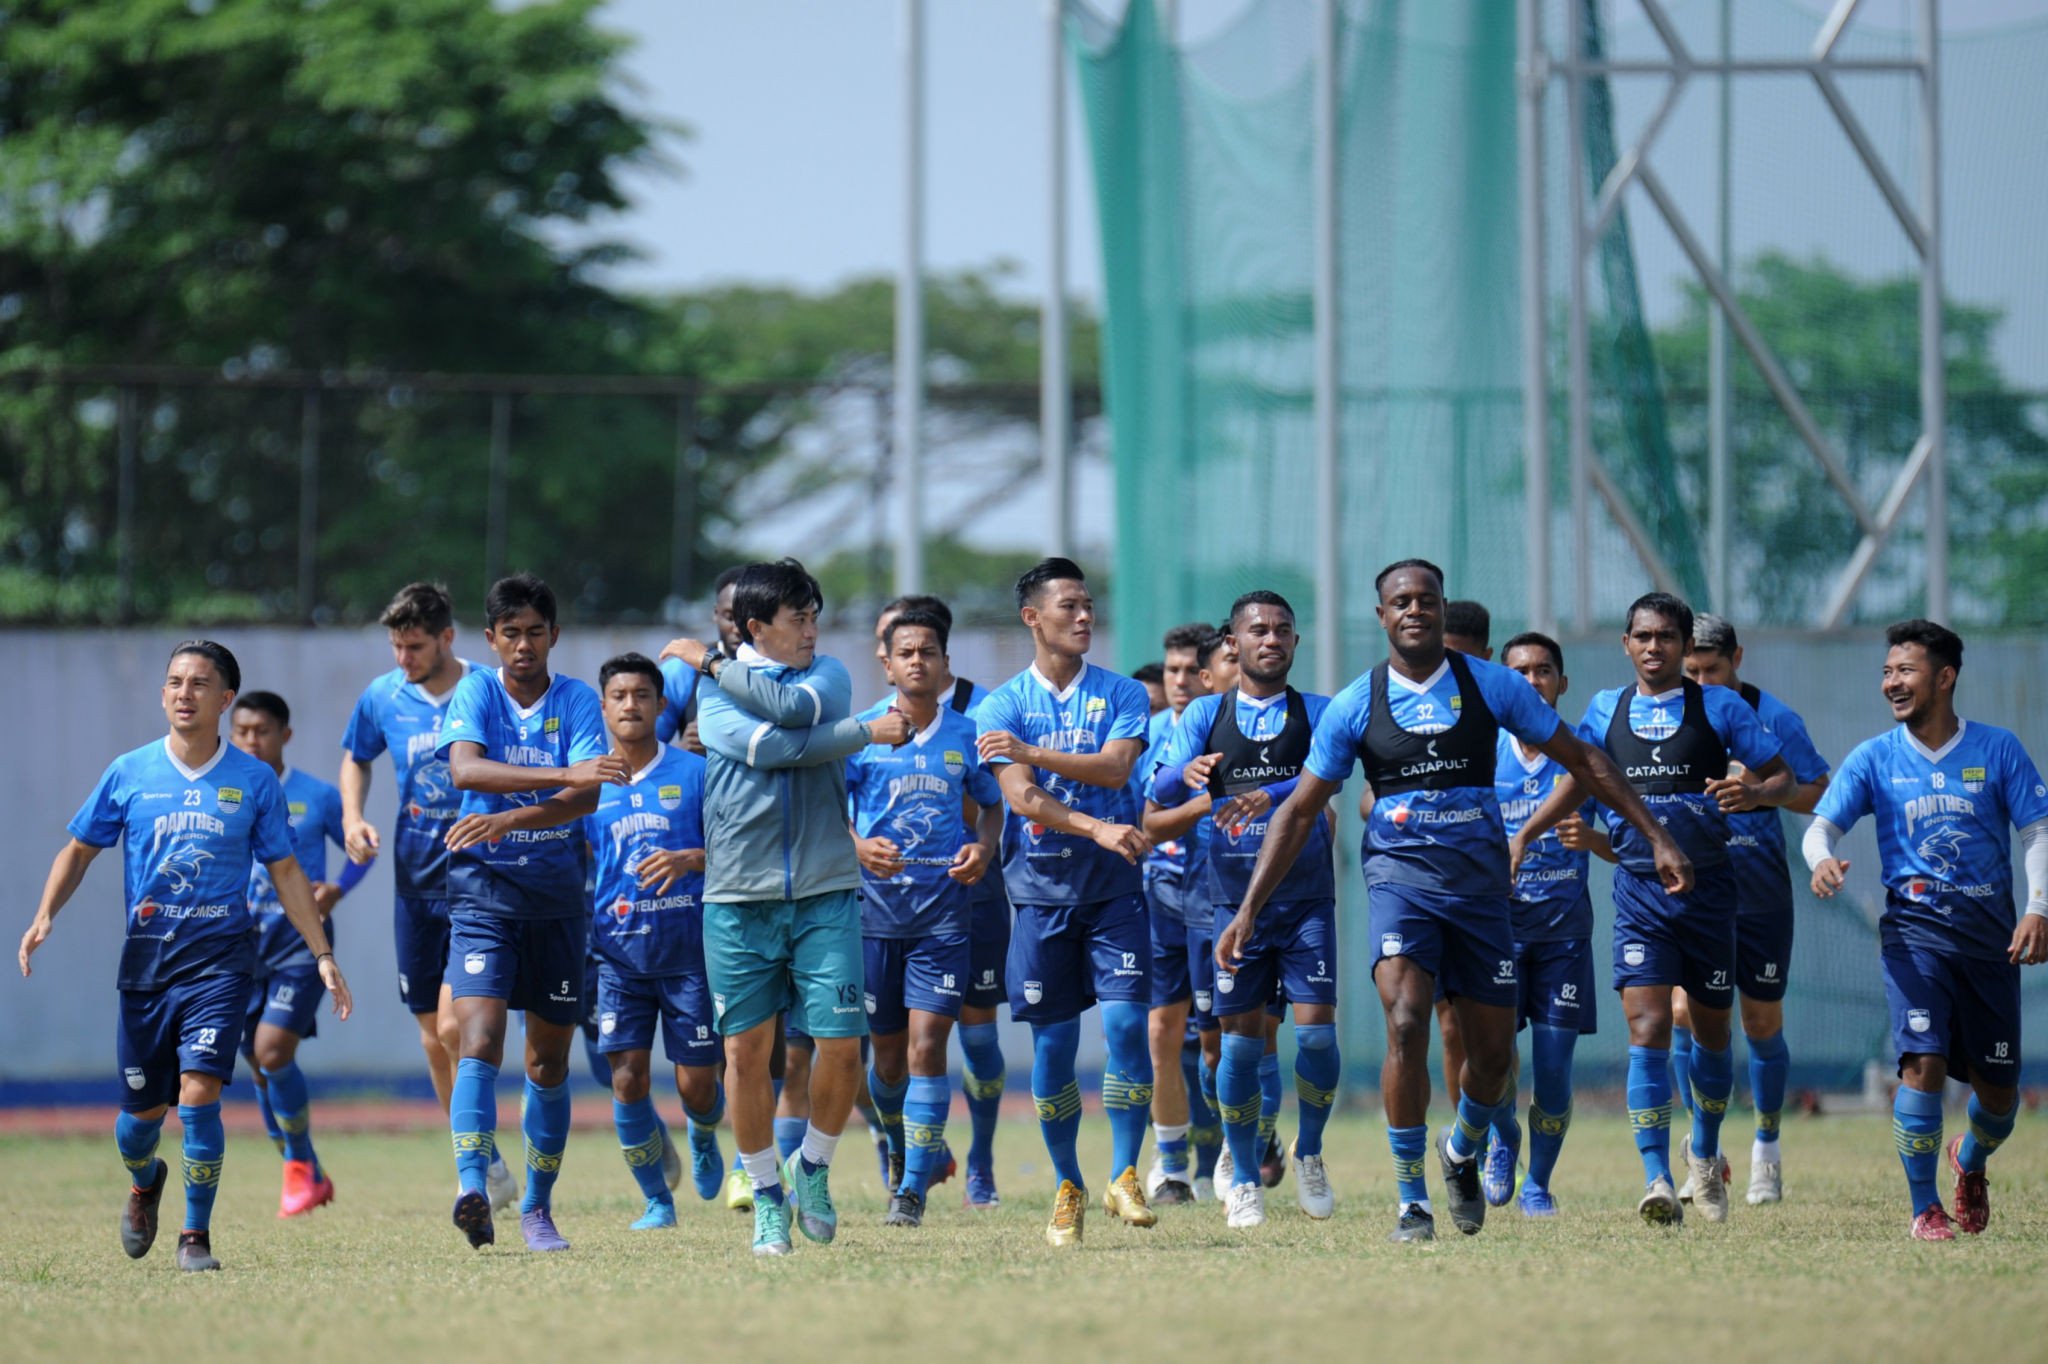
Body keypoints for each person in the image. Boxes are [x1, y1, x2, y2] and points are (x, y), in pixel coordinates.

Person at [1239, 561, 1689, 1244]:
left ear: (1442, 610)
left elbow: (1584, 760)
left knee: (1493, 1062)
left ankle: (1461, 1149)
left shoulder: (1491, 685)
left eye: (1426, 600)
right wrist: (1247, 909)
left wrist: (1655, 836)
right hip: (1400, 884)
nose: (1414, 610)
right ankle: (1411, 1201)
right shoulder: (1356, 703)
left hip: (1481, 893)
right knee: (1406, 1017)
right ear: (1382, 614)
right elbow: (1299, 811)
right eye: (1400, 601)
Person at [19, 640, 353, 1272]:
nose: (183, 693)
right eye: (174, 681)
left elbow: (285, 869)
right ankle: (145, 1181)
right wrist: (44, 915)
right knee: (138, 1121)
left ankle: (194, 1236)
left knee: (200, 1094)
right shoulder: (130, 771)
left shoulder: (253, 780)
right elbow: (79, 851)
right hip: (146, 966)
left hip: (223, 962)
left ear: (224, 700)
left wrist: (322, 953)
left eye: (199, 684)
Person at [1516, 591, 1793, 1228]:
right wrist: (1525, 834)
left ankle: (1704, 1151)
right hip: (1639, 892)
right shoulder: (1604, 710)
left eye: (1667, 637)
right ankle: (1656, 1177)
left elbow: (1785, 778)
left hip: (1711, 893)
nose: (1654, 647)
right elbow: (1580, 778)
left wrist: (1752, 790)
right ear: (1625, 643)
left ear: (1682, 644)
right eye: (1642, 636)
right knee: (1647, 1031)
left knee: (1715, 1037)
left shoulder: (1720, 707)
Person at [664, 558, 913, 1257]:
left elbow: (797, 714)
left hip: (827, 891)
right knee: (745, 1054)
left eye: (813, 617)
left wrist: (714, 664)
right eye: (797, 618)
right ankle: (768, 1195)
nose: (812, 630)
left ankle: (813, 1169)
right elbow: (770, 748)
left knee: (840, 1048)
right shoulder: (709, 695)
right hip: (738, 900)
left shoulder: (828, 675)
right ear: (755, 628)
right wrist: (865, 731)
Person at [458, 653, 726, 1229]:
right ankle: (657, 1199)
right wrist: (505, 823)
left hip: (688, 956)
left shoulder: (697, 773)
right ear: (603, 708)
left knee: (697, 1085)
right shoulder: (588, 783)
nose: (631, 705)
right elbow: (556, 829)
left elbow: (733, 852)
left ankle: (703, 1134)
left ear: (660, 706)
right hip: (615, 957)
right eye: (620, 696)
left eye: (643, 695)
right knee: (625, 1077)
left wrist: (691, 858)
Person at [1804, 620, 2048, 1241]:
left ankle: (1969, 1160)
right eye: (1887, 672)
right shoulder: (1874, 758)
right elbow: (1818, 828)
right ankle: (1924, 1209)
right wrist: (1821, 859)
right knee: (1923, 1064)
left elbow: (2037, 832)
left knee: (2000, 1102)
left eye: (1905, 670)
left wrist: (2038, 907)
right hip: (1914, 939)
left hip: (1992, 945)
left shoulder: (1997, 750)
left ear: (1945, 677)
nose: (1892, 683)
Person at [436, 573, 626, 1253]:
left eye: (534, 632)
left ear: (554, 635)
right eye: (509, 633)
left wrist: (513, 815)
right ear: (490, 639)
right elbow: (466, 771)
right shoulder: (476, 691)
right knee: (478, 1037)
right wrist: (563, 776)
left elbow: (588, 798)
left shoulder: (576, 699)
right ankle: (471, 1187)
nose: (522, 644)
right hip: (485, 892)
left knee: (547, 1063)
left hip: (555, 900)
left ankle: (538, 1210)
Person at [975, 557, 1156, 1248]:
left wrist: (1032, 750)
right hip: (1040, 896)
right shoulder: (1001, 706)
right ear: (1033, 618)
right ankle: (1068, 1185)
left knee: (1127, 1029)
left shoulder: (1122, 694)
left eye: (1089, 606)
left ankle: (1123, 1174)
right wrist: (1098, 826)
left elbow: (1115, 768)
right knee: (1052, 1050)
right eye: (1069, 606)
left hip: (1114, 895)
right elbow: (1021, 799)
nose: (1084, 617)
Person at [1153, 592, 1337, 1228]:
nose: (1272, 639)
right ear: (1233, 643)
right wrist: (1186, 771)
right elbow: (1156, 790)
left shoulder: (1318, 711)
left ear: (1295, 642)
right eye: (1258, 630)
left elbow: (1329, 776)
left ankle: (1308, 1151)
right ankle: (1240, 1173)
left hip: (1306, 895)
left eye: (1284, 629)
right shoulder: (1206, 711)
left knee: (1314, 1033)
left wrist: (1273, 792)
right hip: (1229, 902)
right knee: (1236, 1046)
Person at [338, 582, 518, 1210]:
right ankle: (480, 1160)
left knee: (452, 1024)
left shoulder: (489, 688)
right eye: (395, 645)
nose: (402, 659)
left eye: (414, 646)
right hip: (414, 879)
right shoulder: (382, 697)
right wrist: (354, 816)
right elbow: (356, 757)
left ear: (447, 637)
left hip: (480, 874)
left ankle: (476, 1156)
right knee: (430, 1037)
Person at [848, 607, 1004, 1227]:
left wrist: (983, 846)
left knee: (926, 1046)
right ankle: (900, 1146)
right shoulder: (857, 732)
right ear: (885, 663)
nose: (918, 661)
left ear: (944, 663)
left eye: (929, 652)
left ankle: (911, 1192)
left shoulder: (966, 734)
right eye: (906, 652)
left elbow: (992, 808)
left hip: (944, 918)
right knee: (884, 1063)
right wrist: (857, 847)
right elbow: (826, 809)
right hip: (872, 918)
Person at [1677, 614, 1830, 1206]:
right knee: (1684, 1015)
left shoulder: (1776, 718)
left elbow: (1818, 789)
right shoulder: (1670, 712)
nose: (1701, 681)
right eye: (1691, 671)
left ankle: (1766, 1151)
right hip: (1693, 892)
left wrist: (1761, 791)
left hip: (1760, 893)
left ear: (1737, 658)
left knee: (1760, 1024)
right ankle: (1703, 1155)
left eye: (1712, 668)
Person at [1486, 633, 1614, 1215]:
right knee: (1490, 1062)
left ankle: (1538, 1183)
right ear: (1503, 681)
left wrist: (1592, 839)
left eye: (1544, 672)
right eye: (1520, 672)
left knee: (1556, 1067)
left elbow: (1626, 842)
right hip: (1495, 933)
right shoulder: (1483, 750)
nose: (1533, 681)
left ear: (1562, 684)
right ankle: (1502, 1137)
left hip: (1563, 932)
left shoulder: (1584, 753)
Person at [228, 690, 366, 1218]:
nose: (250, 740)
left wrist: (339, 887)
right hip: (238, 949)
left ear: (283, 735)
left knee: (272, 1051)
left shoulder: (316, 795)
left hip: (300, 949)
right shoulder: (225, 793)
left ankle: (299, 1168)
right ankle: (305, 1169)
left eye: (261, 730)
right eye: (240, 731)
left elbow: (360, 849)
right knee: (259, 1070)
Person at [1135, 622, 1214, 1207]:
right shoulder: (1149, 735)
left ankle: (1235, 1148)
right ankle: (1173, 1167)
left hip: (1220, 900)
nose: (1180, 681)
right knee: (1160, 1031)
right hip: (1157, 900)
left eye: (1191, 670)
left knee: (1218, 1043)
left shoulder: (1229, 731)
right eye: (1172, 671)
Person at [1428, 600, 1493, 1115]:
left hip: (1525, 901)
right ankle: (1471, 1143)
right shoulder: (1415, 714)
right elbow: (1370, 797)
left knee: (1497, 1036)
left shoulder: (1506, 711)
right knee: (1449, 1025)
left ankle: (1502, 1136)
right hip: (1442, 887)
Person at [657, 566, 746, 756]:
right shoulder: (682, 670)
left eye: (747, 618)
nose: (738, 628)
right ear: (716, 613)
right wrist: (682, 750)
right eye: (730, 617)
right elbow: (643, 754)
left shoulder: (781, 669)